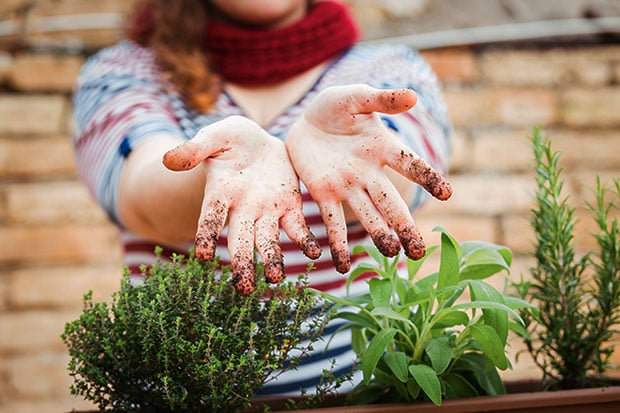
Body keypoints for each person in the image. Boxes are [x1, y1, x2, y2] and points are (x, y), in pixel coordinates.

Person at [72, 0, 452, 396]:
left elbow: (405, 173)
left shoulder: (389, 70)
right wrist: (218, 165)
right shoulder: (125, 72)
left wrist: (351, 153)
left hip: (370, 397)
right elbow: (143, 194)